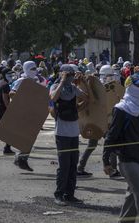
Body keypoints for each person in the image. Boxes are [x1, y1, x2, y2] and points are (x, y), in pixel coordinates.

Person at [103, 73, 139, 223]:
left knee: (132, 194)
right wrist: (106, 161)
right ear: (130, 87)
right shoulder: (120, 109)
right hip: (127, 160)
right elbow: (111, 136)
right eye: (138, 85)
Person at [50, 64, 88, 205]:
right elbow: (53, 98)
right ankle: (58, 194)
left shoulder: (73, 88)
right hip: (61, 132)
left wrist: (81, 83)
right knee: (64, 165)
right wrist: (62, 81)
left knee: (73, 164)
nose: (70, 76)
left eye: (71, 74)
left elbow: (87, 97)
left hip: (73, 132)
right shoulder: (55, 86)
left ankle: (69, 194)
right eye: (68, 74)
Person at [77, 65, 120, 178]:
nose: (111, 78)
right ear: (104, 75)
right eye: (109, 75)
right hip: (98, 121)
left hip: (106, 120)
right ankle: (113, 169)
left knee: (94, 145)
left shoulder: (110, 87)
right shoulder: (96, 87)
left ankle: (80, 167)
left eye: (112, 75)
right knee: (108, 144)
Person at [11, 61, 40, 171]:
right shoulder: (21, 80)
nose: (34, 71)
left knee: (31, 137)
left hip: (33, 112)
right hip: (23, 112)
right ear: (26, 69)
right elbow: (12, 93)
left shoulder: (36, 80)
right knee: (28, 137)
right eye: (32, 69)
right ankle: (22, 160)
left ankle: (20, 158)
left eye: (35, 68)